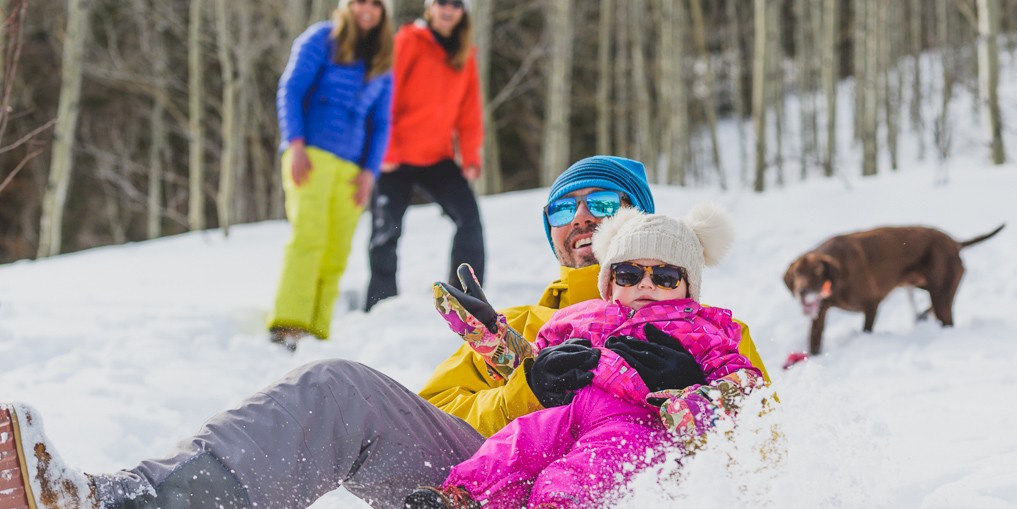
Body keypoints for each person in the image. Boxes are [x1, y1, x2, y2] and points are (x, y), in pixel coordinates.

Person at [0, 156, 768, 509]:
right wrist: (523, 387)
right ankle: (128, 506)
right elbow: (432, 416)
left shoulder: (706, 332)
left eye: (603, 201)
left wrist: (691, 395)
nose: (581, 219)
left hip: (621, 491)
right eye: (562, 209)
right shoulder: (527, 325)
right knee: (339, 390)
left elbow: (772, 459)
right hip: (488, 490)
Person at [412, 204, 764, 509]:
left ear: (689, 287)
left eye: (666, 276)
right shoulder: (583, 316)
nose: (645, 284)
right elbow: (534, 362)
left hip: (633, 423)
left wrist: (692, 399)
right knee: (517, 442)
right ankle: (463, 496)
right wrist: (487, 332)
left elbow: (746, 385)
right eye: (629, 273)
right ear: (610, 282)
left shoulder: (704, 329)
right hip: (568, 410)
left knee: (581, 470)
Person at [267, 0, 394, 351]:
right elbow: (290, 89)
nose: (366, 9)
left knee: (337, 249)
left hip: (353, 169)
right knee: (309, 237)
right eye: (360, 2)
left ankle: (317, 328)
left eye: (375, 4)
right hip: (311, 155)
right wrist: (295, 144)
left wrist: (369, 173)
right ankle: (289, 323)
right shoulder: (321, 38)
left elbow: (381, 123)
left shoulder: (383, 59)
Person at [364, 0, 485, 310]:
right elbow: (385, 94)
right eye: (441, 2)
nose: (448, 9)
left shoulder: (464, 54)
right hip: (397, 156)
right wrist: (385, 148)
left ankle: (466, 301)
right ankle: (379, 304)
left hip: (436, 158)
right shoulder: (407, 42)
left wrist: (470, 155)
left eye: (456, 4)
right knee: (386, 232)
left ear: (463, 11)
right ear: (429, 7)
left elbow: (469, 111)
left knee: (469, 219)